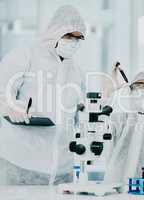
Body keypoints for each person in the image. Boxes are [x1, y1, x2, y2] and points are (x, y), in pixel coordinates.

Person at [0, 5, 86, 185]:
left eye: (78, 38)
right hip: (20, 162)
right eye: (68, 36)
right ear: (54, 31)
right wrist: (11, 107)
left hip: (63, 169)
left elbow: (80, 116)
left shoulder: (77, 72)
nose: (73, 42)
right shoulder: (25, 56)